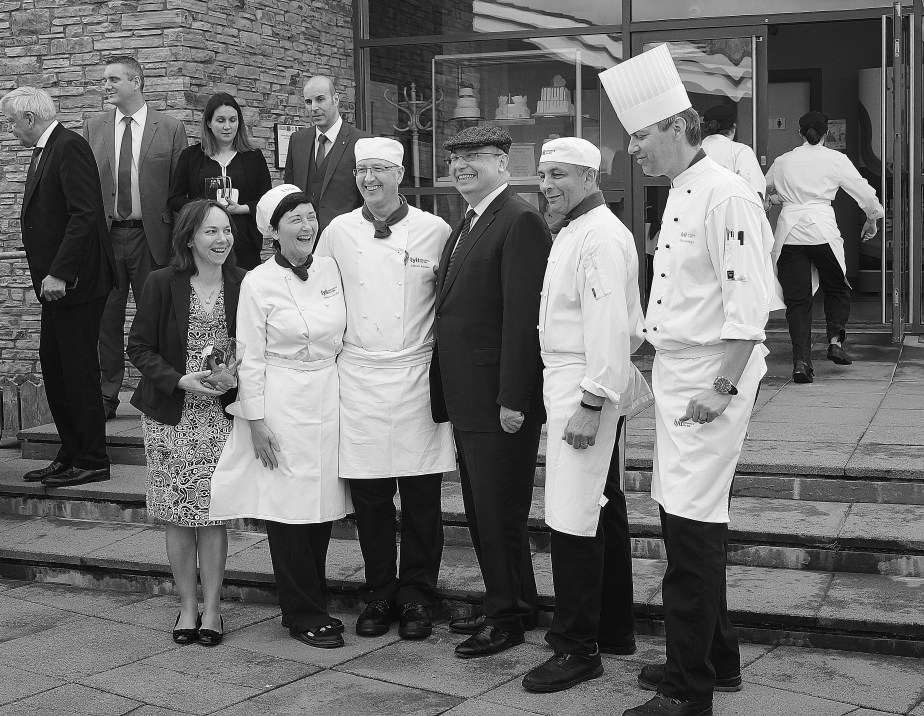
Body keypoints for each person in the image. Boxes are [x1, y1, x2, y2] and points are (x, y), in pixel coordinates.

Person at [600, 44, 780, 716]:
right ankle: (715, 658)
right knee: (680, 516)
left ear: (678, 125)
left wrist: (723, 388)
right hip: (680, 371)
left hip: (711, 376)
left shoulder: (727, 194)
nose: (634, 151)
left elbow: (748, 306)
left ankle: (688, 691)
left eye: (641, 136)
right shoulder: (682, 188)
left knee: (692, 528)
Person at [521, 137, 652, 693]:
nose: (547, 184)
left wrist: (591, 403)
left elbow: (605, 326)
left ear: (590, 177)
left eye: (560, 175)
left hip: (583, 385)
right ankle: (615, 628)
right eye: (544, 174)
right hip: (577, 379)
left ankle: (576, 647)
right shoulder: (577, 229)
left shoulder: (597, 234)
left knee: (573, 513)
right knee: (606, 505)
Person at [316, 137, 455, 641]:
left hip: (416, 375)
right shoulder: (337, 232)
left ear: (399, 174)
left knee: (421, 499)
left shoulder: (435, 230)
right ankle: (378, 592)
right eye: (360, 171)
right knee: (371, 499)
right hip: (359, 377)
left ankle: (418, 595)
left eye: (378, 169)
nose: (368, 179)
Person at [208, 185, 352, 649]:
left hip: (329, 400)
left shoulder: (330, 268)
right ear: (272, 231)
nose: (307, 226)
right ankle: (302, 612)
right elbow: (248, 356)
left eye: (311, 217)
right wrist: (256, 420)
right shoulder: (258, 282)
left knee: (321, 507)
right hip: (282, 401)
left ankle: (316, 599)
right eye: (295, 219)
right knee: (288, 511)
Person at [429, 125, 551, 658]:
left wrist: (513, 400)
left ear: (503, 163)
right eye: (455, 157)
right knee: (483, 510)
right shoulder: (471, 221)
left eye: (475, 156)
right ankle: (514, 600)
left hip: (497, 399)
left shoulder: (519, 220)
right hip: (468, 395)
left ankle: (506, 618)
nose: (461, 166)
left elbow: (523, 323)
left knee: (497, 512)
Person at [126, 199, 245, 646]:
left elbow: (254, 345)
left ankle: (213, 610)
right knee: (178, 514)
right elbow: (138, 348)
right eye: (211, 232)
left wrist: (235, 377)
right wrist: (180, 380)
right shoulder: (162, 282)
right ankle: (187, 608)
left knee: (212, 514)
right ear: (190, 237)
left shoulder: (244, 283)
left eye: (227, 231)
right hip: (171, 418)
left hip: (219, 418)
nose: (222, 240)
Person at [4, 86, 116, 488]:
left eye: (13, 122)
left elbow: (84, 215)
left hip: (77, 283)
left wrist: (61, 272)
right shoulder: (46, 149)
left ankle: (93, 458)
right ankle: (70, 452)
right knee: (55, 367)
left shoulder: (68, 146)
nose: (11, 129)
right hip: (57, 284)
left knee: (78, 369)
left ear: (30, 119)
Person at [83, 55, 189, 419]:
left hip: (153, 238)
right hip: (108, 237)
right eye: (104, 80)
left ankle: (154, 391)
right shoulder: (93, 127)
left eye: (113, 79)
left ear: (137, 82)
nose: (106, 86)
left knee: (156, 319)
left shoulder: (170, 128)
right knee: (105, 319)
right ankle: (107, 395)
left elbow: (179, 191)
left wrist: (180, 242)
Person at [765, 111, 884, 383]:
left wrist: (774, 197)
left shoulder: (783, 162)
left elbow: (762, 188)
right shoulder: (835, 160)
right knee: (837, 287)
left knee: (798, 301)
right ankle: (835, 342)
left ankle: (801, 363)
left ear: (799, 133)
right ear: (827, 134)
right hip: (822, 230)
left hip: (790, 234)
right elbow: (864, 192)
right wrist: (872, 218)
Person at [168, 92, 272, 270]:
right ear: (209, 123)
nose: (227, 126)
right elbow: (174, 199)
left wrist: (243, 208)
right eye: (220, 120)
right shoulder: (191, 156)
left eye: (233, 120)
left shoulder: (253, 157)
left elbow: (267, 200)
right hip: (203, 240)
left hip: (244, 241)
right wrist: (204, 209)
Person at [283, 75, 369, 238]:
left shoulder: (362, 142)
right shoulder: (297, 141)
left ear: (336, 99)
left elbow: (368, 199)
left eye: (320, 99)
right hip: (304, 240)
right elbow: (290, 193)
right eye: (309, 102)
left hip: (346, 239)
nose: (314, 107)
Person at [700, 104, 764, 200]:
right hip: (730, 212)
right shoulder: (740, 151)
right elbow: (755, 194)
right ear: (734, 126)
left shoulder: (693, 152)